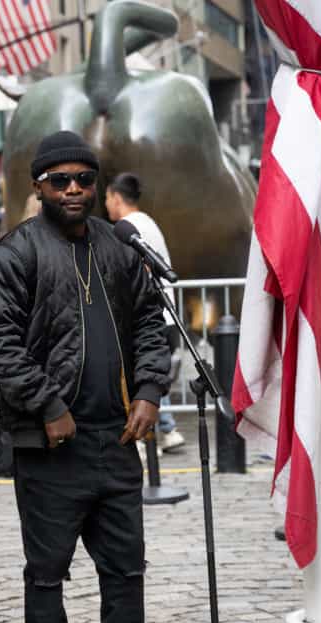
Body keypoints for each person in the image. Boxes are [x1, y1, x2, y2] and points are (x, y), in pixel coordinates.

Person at [0, 131, 171, 623]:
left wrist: (151, 391)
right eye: (59, 180)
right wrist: (49, 403)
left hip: (115, 438)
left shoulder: (120, 248)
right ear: (39, 187)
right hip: (50, 443)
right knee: (46, 570)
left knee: (126, 564)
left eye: (84, 179)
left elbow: (152, 326)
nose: (74, 189)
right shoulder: (14, 253)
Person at [105, 172, 185, 452]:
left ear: (116, 197)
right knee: (153, 374)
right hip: (165, 314)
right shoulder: (147, 221)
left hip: (150, 315)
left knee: (143, 375)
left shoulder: (127, 227)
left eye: (106, 198)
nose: (106, 205)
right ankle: (167, 428)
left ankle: (149, 438)